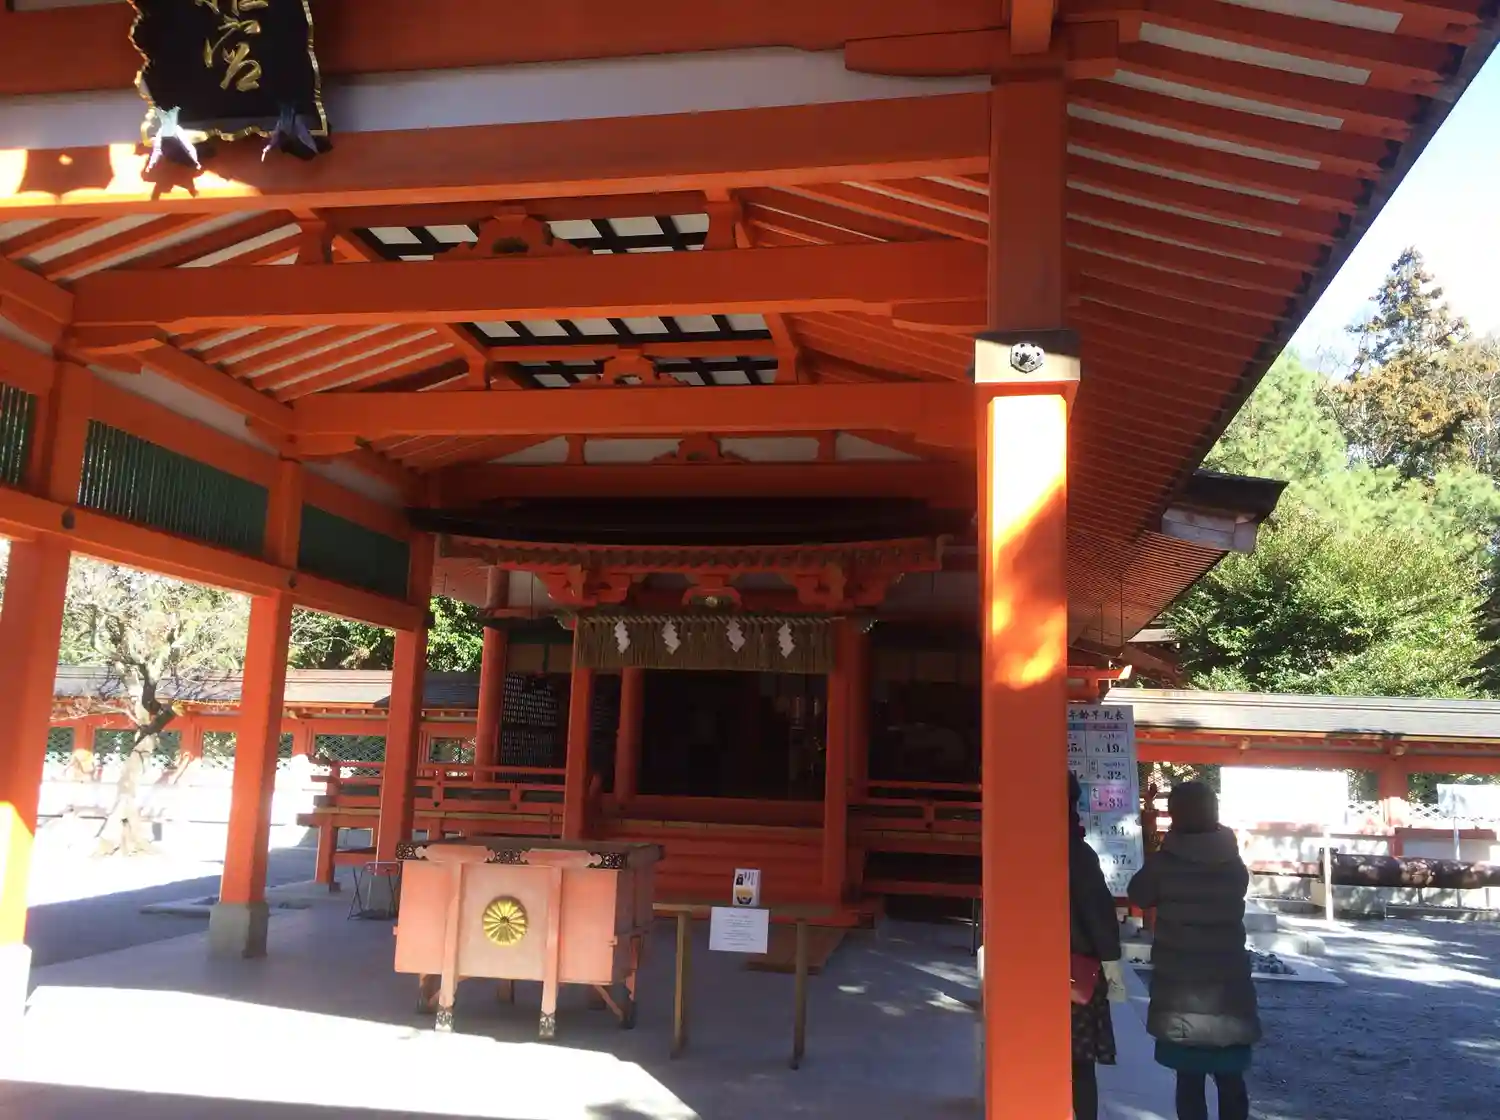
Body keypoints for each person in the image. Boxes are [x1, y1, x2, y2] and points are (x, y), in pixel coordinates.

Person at [1127, 781, 1261, 1120]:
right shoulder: (1232, 863)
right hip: (1228, 985)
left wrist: (1156, 847)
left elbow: (1138, 894)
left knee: (1189, 1081)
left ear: (1175, 815)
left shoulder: (1165, 864)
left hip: (1181, 987)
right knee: (1231, 1079)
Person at [1069, 771, 1126, 1120]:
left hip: (1024, 971)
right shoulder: (1078, 854)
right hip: (1074, 975)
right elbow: (1100, 918)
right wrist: (1114, 975)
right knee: (1079, 1064)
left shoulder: (1017, 846)